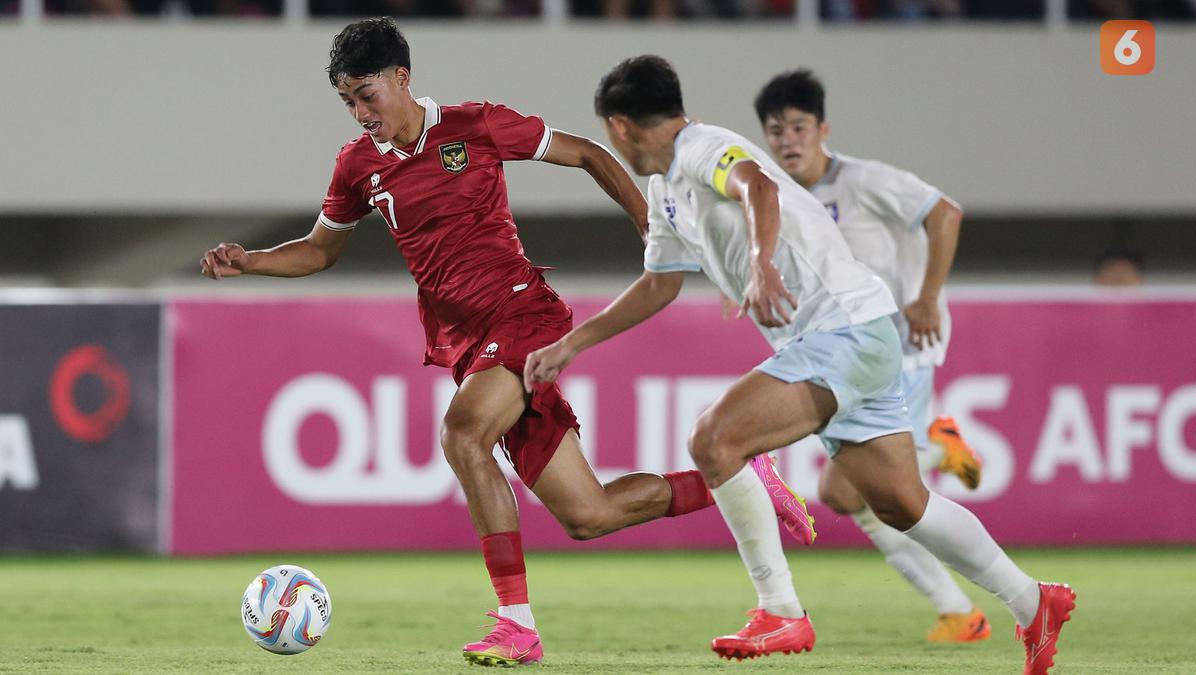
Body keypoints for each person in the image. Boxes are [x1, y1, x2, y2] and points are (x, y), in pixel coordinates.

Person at [198, 19, 813, 668]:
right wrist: (254, 260)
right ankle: (735, 481)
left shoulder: (476, 125)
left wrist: (649, 223)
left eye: (366, 94)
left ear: (403, 78)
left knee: (462, 434)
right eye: (347, 100)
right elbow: (320, 251)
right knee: (590, 514)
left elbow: (591, 154)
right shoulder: (358, 165)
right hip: (466, 346)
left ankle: (515, 624)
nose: (360, 112)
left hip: (523, 316)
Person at [526, 55, 1074, 673]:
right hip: (852, 336)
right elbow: (659, 284)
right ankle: (1034, 602)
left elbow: (756, 186)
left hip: (845, 329)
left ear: (618, 126)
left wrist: (761, 263)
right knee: (899, 504)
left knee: (715, 439)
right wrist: (573, 344)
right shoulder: (664, 191)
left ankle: (781, 610)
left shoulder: (703, 147)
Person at [753, 68, 990, 643]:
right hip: (851, 356)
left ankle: (961, 608)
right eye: (775, 129)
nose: (788, 139)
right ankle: (958, 607)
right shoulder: (778, 199)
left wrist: (926, 297)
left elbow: (946, 213)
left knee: (845, 490)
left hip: (903, 349)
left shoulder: (864, 181)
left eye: (798, 126)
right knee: (847, 492)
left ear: (823, 129)